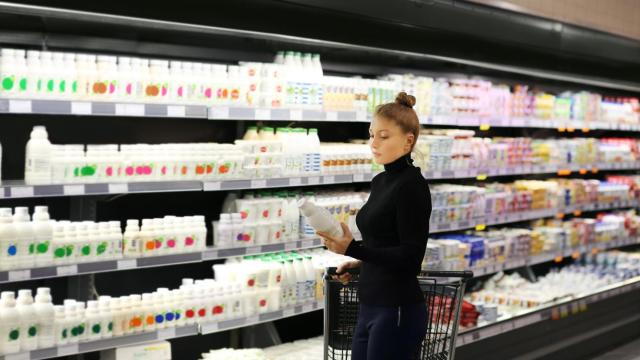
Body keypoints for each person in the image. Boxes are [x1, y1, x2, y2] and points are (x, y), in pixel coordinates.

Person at [318, 92, 432, 360]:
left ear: (408, 141)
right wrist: (358, 266)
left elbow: (411, 257)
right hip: (369, 306)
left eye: (383, 136)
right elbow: (384, 244)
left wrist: (355, 250)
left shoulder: (412, 186)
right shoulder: (381, 181)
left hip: (397, 310)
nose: (374, 143)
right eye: (371, 135)